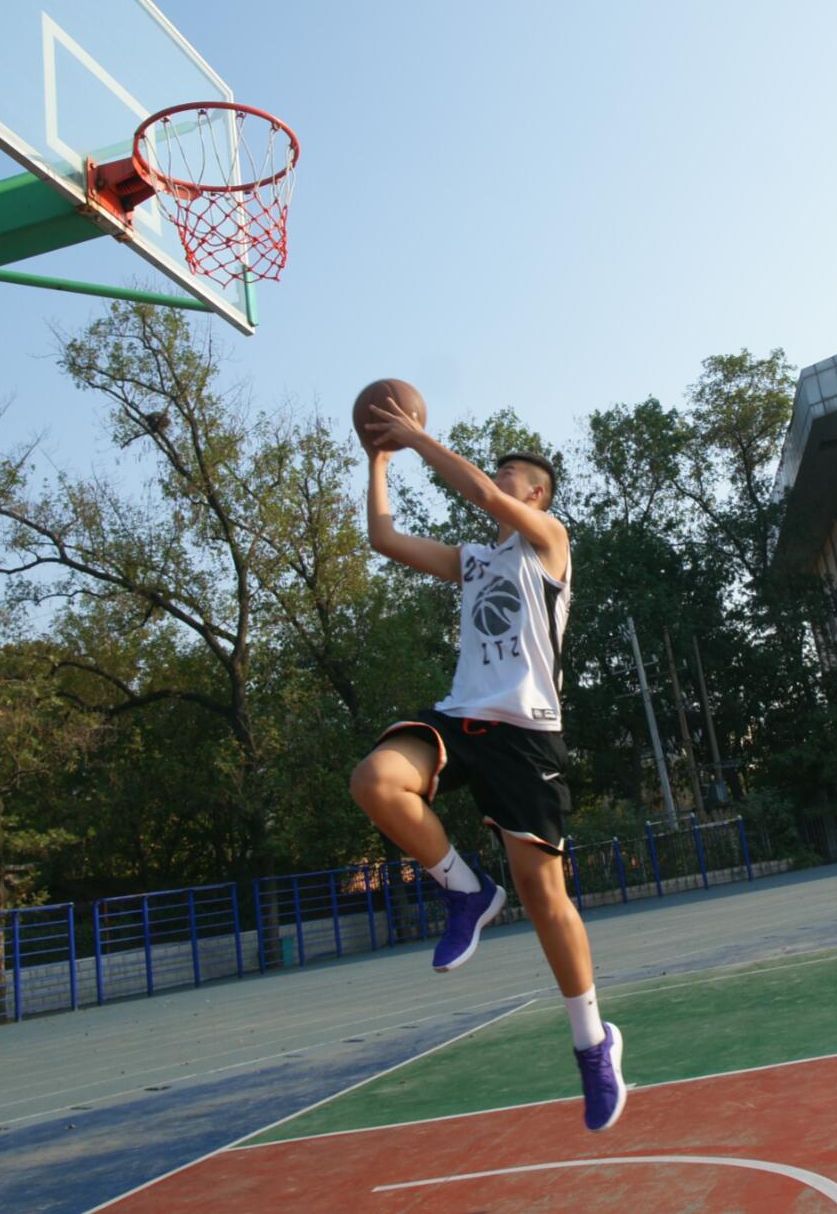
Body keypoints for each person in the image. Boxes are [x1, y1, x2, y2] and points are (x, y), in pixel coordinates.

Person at [347, 398, 624, 1132]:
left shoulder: (549, 544)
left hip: (526, 732)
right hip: (462, 715)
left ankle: (592, 1043)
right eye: (498, 469)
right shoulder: (474, 562)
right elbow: (382, 538)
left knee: (545, 898)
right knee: (375, 780)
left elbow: (481, 493)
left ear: (534, 494)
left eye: (511, 474)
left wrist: (415, 437)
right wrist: (377, 459)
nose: (498, 477)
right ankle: (465, 892)